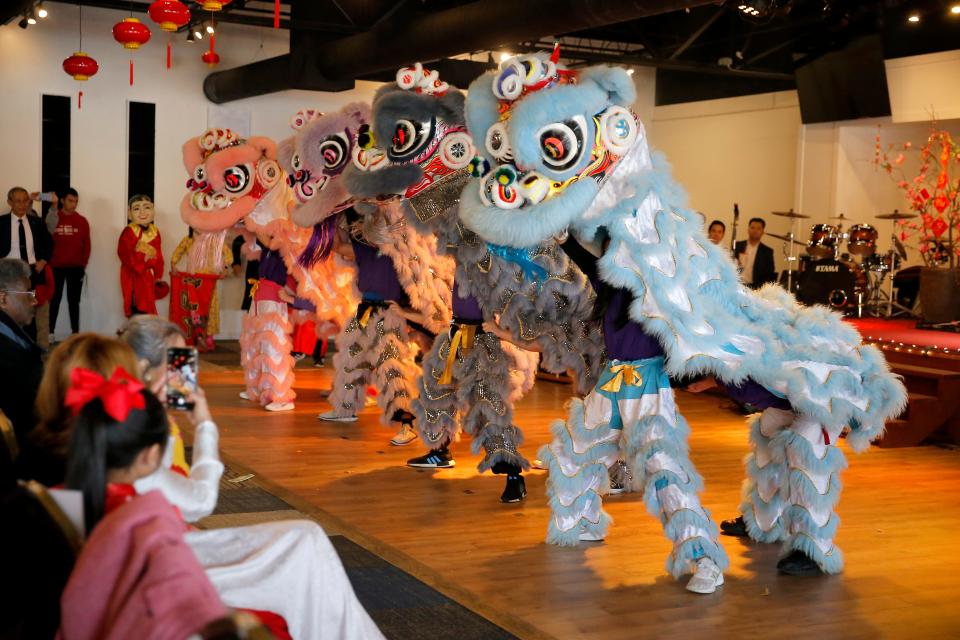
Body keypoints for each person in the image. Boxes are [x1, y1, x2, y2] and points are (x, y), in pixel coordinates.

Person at [58, 373, 229, 640]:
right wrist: (204, 425)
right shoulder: (148, 513)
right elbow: (201, 500)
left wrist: (148, 423)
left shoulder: (63, 491)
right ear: (149, 454)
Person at [120, 316, 223, 521]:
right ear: (145, 370)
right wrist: (205, 426)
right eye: (177, 359)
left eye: (186, 357)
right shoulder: (136, 430)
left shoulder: (119, 405)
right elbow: (200, 502)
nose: (186, 370)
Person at [1, 187, 52, 341]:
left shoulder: (37, 222)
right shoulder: (1, 222)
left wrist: (42, 261)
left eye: (25, 201)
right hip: (7, 272)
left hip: (31, 272)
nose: (22, 205)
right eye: (18, 201)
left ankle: (29, 347)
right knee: (6, 311)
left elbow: (49, 243)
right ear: (9, 202)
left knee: (29, 310)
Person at [0, 259, 42, 444]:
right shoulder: (5, 351)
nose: (35, 301)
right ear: (3, 299)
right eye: (29, 294)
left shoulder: (11, 334)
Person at [48, 187, 91, 339]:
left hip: (75, 268)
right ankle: (50, 332)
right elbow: (46, 242)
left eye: (76, 202)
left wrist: (83, 265)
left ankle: (75, 333)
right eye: (71, 201)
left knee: (74, 302)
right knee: (54, 300)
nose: (74, 204)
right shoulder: (53, 218)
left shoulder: (82, 221)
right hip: (55, 267)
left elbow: (87, 245)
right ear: (62, 201)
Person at [118, 194, 164, 317]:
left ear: (153, 210)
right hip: (133, 276)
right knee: (137, 307)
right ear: (129, 213)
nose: (142, 212)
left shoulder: (155, 231)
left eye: (147, 207)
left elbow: (159, 255)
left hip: (149, 276)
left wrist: (158, 274)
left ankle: (146, 334)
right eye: (137, 208)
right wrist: (143, 261)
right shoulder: (129, 232)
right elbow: (125, 255)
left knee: (148, 308)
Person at [734, 217, 776, 288]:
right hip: (737, 285)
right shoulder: (737, 246)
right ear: (748, 230)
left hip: (755, 288)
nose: (755, 230)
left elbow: (769, 274)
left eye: (758, 228)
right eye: (752, 227)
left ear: (763, 232)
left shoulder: (767, 252)